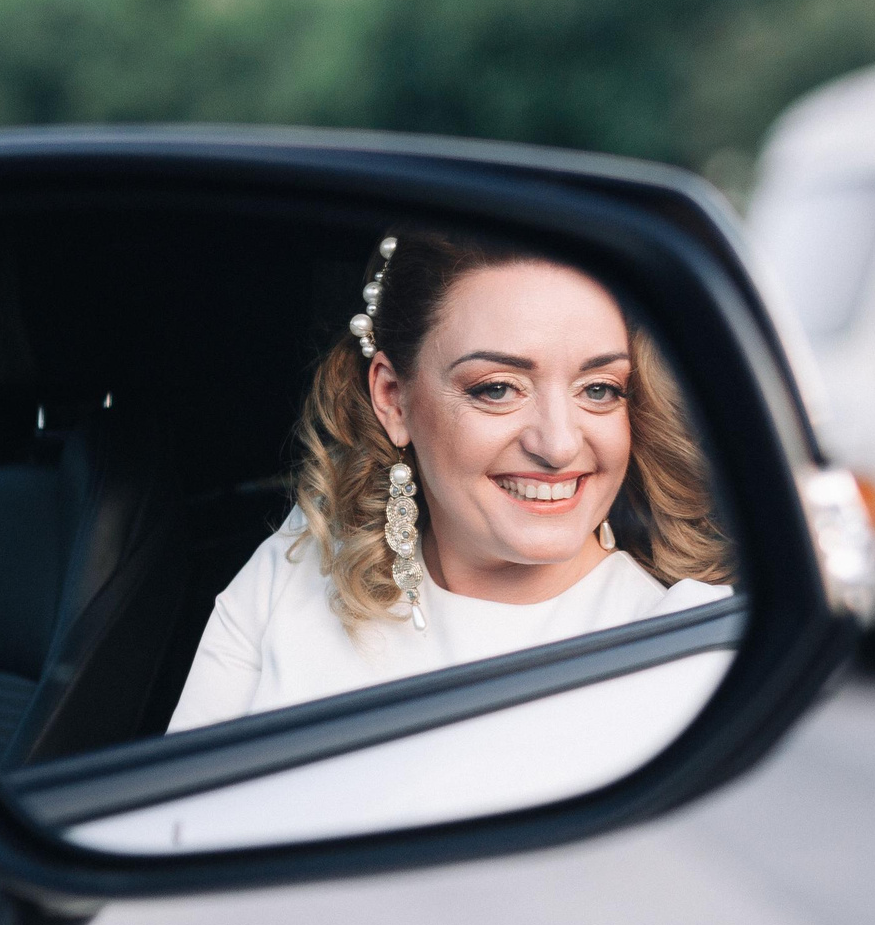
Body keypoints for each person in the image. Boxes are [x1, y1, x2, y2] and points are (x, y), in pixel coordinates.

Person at [166, 229, 734, 732]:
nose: (559, 445)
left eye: (599, 389)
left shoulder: (687, 644)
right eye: (497, 388)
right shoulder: (297, 570)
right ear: (394, 398)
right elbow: (170, 822)